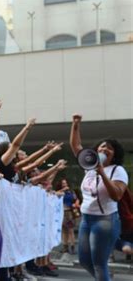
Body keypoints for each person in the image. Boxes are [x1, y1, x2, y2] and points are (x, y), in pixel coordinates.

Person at [70, 113, 129, 281]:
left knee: (98, 263)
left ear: (114, 154)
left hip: (105, 221)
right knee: (84, 260)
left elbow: (117, 195)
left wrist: (102, 172)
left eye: (109, 148)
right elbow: (76, 146)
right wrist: (75, 125)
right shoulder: (89, 166)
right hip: (86, 219)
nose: (104, 149)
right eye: (102, 147)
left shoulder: (118, 171)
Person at [56, 178, 80, 254]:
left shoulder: (70, 191)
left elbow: (76, 198)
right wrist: (63, 190)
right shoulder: (60, 192)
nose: (65, 184)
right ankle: (65, 246)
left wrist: (75, 203)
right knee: (64, 231)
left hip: (69, 213)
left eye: (65, 183)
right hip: (62, 213)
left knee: (70, 230)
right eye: (63, 183)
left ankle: (72, 246)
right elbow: (55, 195)